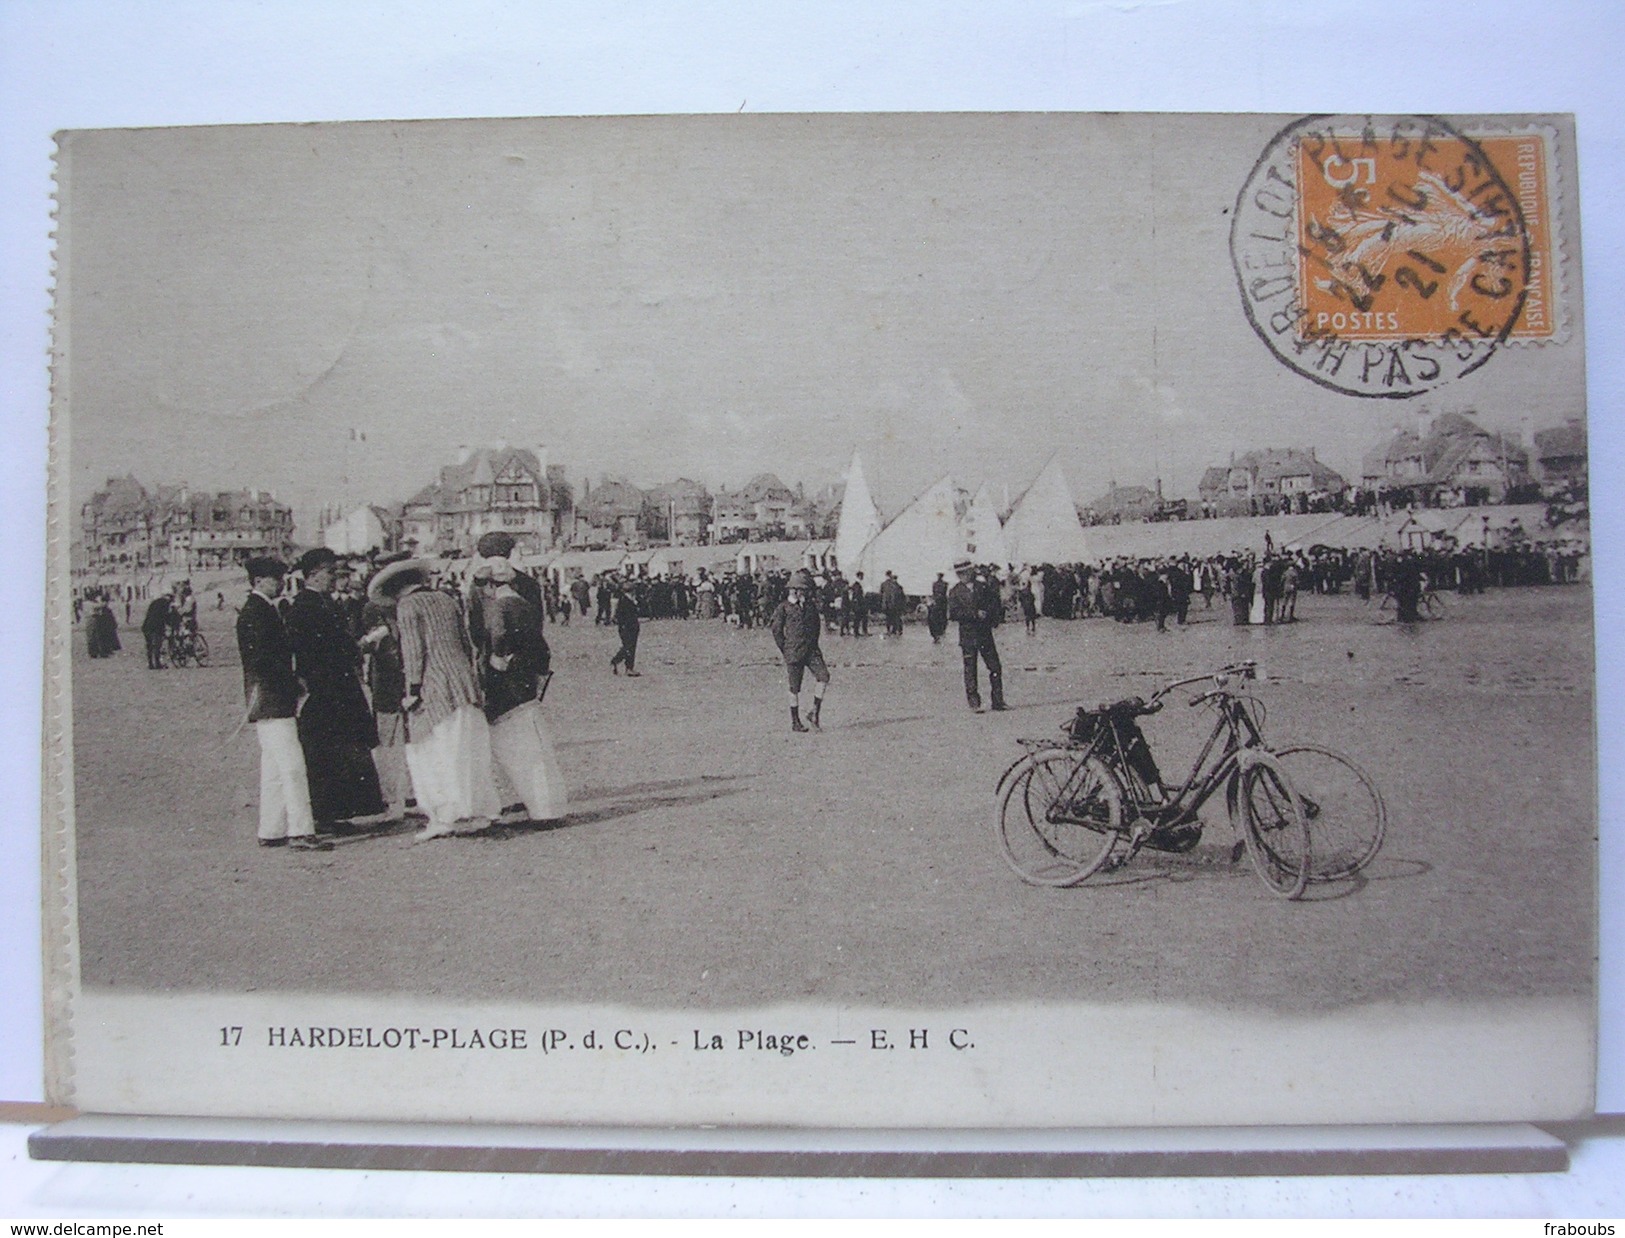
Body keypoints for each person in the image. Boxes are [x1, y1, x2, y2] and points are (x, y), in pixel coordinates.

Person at [381, 559, 502, 840]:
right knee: (468, 748)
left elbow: (414, 653)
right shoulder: (447, 599)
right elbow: (466, 642)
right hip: (462, 683)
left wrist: (412, 691)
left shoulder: (408, 606)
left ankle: (444, 816)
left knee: (433, 752)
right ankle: (483, 809)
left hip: (434, 687)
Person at [285, 548, 386, 828]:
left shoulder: (320, 602)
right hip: (327, 688)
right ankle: (327, 814)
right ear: (315, 574)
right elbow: (319, 649)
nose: (334, 578)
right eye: (330, 572)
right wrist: (358, 647)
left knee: (338, 749)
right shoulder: (307, 605)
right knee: (329, 751)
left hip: (336, 687)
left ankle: (337, 811)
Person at [234, 556, 330, 851]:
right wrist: (294, 684)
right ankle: (301, 831)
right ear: (260, 581)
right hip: (273, 697)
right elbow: (265, 661)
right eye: (275, 579)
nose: (280, 584)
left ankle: (272, 829)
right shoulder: (258, 613)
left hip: (264, 699)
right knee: (291, 766)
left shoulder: (258, 610)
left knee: (274, 768)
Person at [472, 557, 567, 821]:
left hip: (506, 687)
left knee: (514, 746)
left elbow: (498, 638)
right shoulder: (523, 604)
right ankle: (546, 806)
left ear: (491, 585)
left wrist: (498, 659)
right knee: (534, 745)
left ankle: (539, 807)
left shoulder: (499, 608)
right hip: (526, 683)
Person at [768, 569, 830, 732]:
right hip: (793, 652)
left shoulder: (810, 606)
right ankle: (795, 721)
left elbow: (816, 626)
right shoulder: (784, 608)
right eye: (800, 590)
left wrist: (814, 645)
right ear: (793, 590)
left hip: (811, 651)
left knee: (824, 677)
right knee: (794, 688)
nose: (803, 593)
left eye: (805, 590)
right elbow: (776, 630)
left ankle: (814, 712)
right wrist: (785, 648)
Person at [948, 559, 1006, 712]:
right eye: (959, 573)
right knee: (970, 670)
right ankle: (974, 703)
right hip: (967, 637)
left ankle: (998, 701)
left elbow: (994, 605)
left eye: (965, 572)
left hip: (985, 634)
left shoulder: (983, 587)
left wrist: (993, 618)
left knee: (995, 667)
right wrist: (974, 614)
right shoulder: (955, 591)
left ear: (971, 571)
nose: (963, 576)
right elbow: (953, 614)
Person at [609, 578, 641, 676]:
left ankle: (624, 665)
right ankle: (621, 664)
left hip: (632, 625)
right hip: (626, 626)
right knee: (629, 647)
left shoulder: (629, 599)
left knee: (630, 647)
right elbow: (618, 614)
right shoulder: (623, 600)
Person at [140, 591, 171, 669]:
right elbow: (165, 616)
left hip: (146, 626)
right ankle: (157, 664)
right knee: (157, 646)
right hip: (156, 627)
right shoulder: (165, 604)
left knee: (149, 646)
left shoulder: (154, 602)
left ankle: (150, 664)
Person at [86, 592, 121, 658]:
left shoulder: (89, 604)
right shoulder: (91, 604)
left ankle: (95, 652)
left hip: (92, 622)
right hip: (94, 621)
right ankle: (99, 652)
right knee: (97, 638)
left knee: (94, 638)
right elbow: (100, 606)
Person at [879, 570, 906, 636]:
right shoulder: (894, 585)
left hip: (888, 604)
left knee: (890, 618)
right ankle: (895, 630)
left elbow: (881, 594)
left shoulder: (884, 584)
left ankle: (892, 630)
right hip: (892, 604)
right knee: (895, 617)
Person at [927, 572, 949, 643]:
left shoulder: (936, 584)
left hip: (939, 601)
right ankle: (941, 630)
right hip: (941, 602)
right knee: (941, 616)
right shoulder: (944, 584)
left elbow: (935, 592)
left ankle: (939, 631)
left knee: (940, 617)